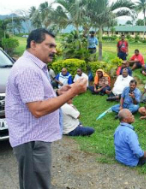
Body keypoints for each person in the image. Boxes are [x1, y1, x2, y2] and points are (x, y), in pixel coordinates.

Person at [5, 28, 87, 189]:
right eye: (49, 46)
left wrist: (58, 92)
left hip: (33, 138)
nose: (54, 50)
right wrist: (72, 92)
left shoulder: (32, 66)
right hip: (32, 140)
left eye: (54, 46)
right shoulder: (27, 69)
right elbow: (37, 110)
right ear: (33, 44)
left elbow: (33, 97)